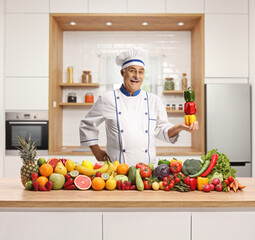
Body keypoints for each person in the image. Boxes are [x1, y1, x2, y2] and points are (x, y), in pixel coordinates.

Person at [80, 47, 199, 166]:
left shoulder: (154, 100)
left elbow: (162, 130)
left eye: (140, 72)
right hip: (117, 171)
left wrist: (180, 127)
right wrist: (96, 151)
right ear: (122, 72)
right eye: (132, 71)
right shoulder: (108, 99)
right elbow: (87, 124)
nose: (137, 76)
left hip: (148, 171)